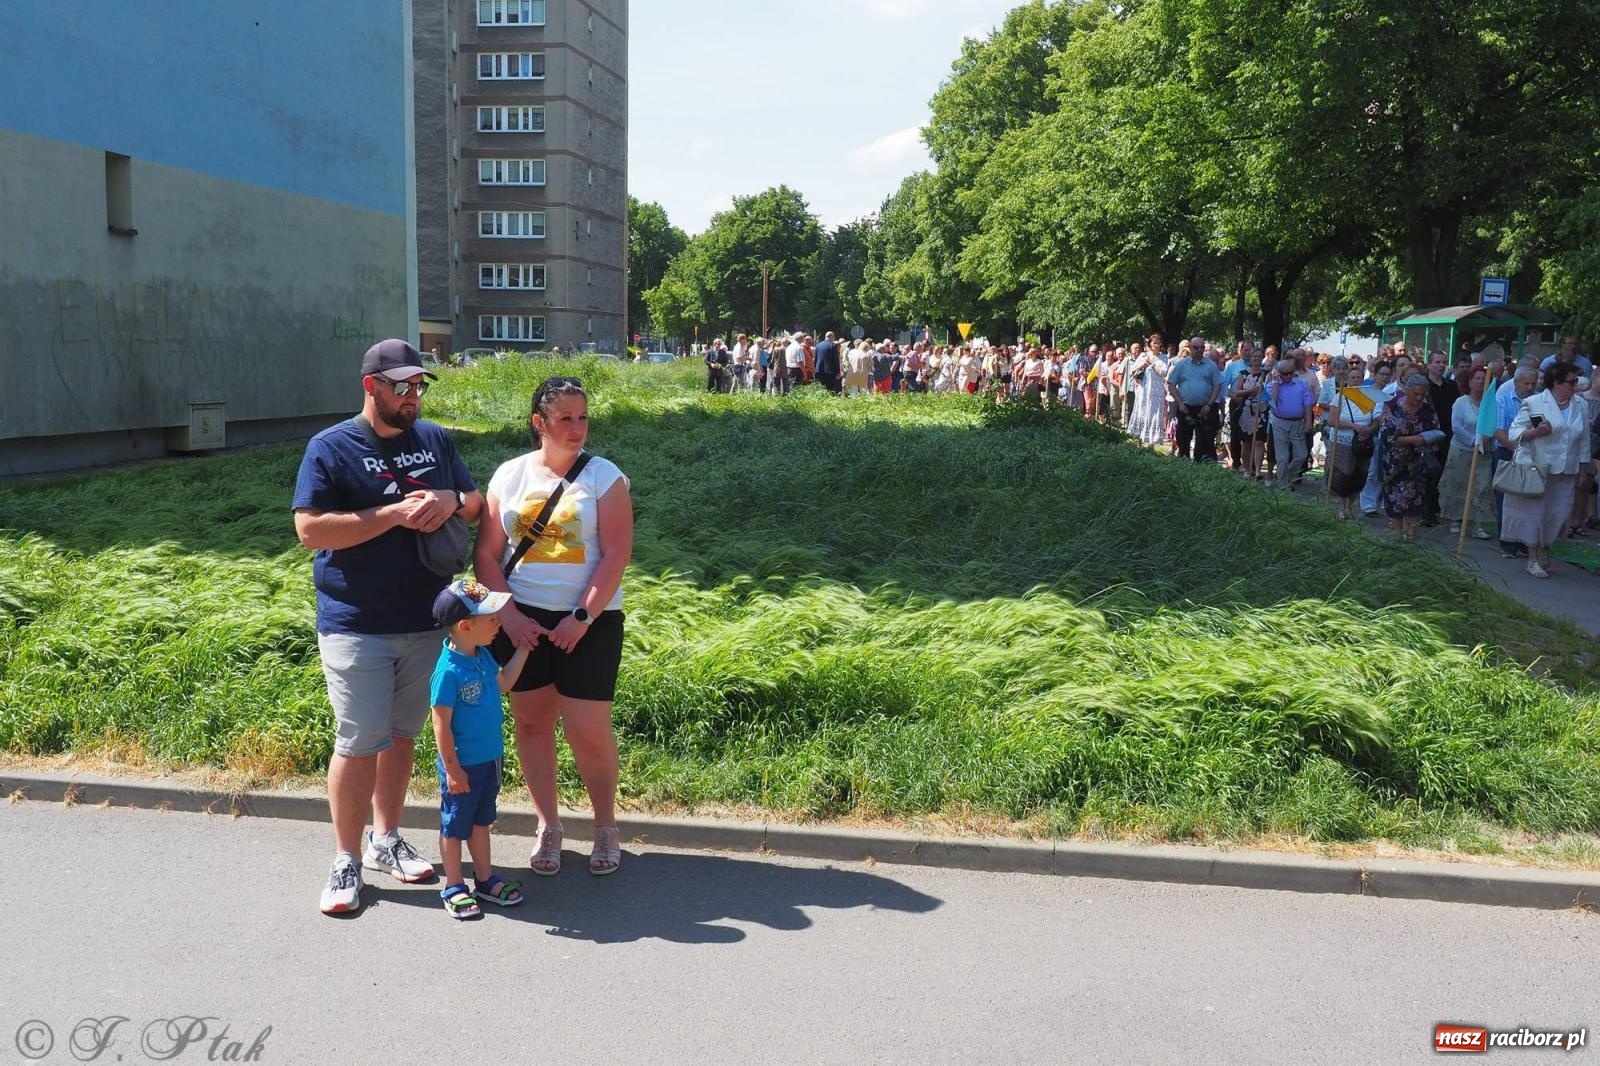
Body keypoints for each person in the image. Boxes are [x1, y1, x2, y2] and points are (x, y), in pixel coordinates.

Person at [293, 338, 485, 915]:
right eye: (402, 387)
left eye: (419, 386)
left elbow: (476, 503)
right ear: (370, 386)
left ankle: (386, 838)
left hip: (425, 620)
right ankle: (346, 859)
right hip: (357, 623)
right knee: (358, 743)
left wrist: (449, 499)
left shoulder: (435, 439)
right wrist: (393, 515)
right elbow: (310, 530)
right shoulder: (332, 447)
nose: (413, 397)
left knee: (402, 737)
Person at [473, 376, 634, 876]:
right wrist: (509, 616)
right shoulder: (509, 476)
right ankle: (548, 825)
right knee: (532, 723)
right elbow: (487, 555)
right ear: (539, 423)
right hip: (522, 620)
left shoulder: (605, 478)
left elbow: (617, 553)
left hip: (590, 619)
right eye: (565, 418)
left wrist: (581, 618)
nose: (577, 427)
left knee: (588, 731)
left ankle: (605, 826)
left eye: (583, 417)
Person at [429, 579, 530, 918]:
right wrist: (452, 768)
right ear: (465, 626)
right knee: (455, 825)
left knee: (481, 821)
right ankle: (454, 885)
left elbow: (503, 684)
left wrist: (523, 651)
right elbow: (440, 725)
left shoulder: (482, 655)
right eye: (491, 619)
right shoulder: (448, 672)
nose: (498, 623)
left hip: (489, 760)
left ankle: (485, 879)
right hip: (462, 765)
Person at [1504, 363, 1596, 578]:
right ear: (1556, 383)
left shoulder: (1580, 405)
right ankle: (1532, 558)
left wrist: (1584, 469)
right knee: (1535, 514)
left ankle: (1545, 548)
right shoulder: (1534, 402)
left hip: (1567, 470)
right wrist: (1535, 432)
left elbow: (1584, 440)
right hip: (1539, 468)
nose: (1576, 385)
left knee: (1558, 514)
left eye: (1576, 381)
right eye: (1572, 381)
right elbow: (1514, 433)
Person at [1379, 373, 1444, 540]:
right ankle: (1396, 537)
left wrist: (1427, 439)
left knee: (1416, 500)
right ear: (1407, 391)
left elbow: (1436, 430)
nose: (1419, 398)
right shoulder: (1394, 408)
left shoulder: (1427, 410)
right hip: (1395, 464)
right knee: (1395, 501)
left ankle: (1411, 536)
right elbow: (1386, 437)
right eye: (1416, 394)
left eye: (1423, 394)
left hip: (1419, 463)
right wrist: (1413, 439)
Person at [1439, 367, 1493, 539]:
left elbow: (1493, 424)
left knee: (1481, 486)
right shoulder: (1460, 402)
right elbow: (1456, 426)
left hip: (1483, 451)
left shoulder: (1490, 404)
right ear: (1469, 382)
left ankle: (1478, 524)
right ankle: (1455, 519)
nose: (1480, 382)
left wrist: (1483, 440)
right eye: (1477, 378)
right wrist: (1472, 441)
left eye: (1483, 378)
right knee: (1458, 483)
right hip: (1462, 450)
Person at [1491, 366, 1541, 557]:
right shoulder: (1502, 401)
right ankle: (1508, 544)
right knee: (1505, 500)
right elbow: (1499, 431)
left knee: (1527, 499)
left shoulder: (1539, 401)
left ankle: (1525, 541)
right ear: (1516, 382)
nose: (1530, 387)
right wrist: (1517, 449)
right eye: (1526, 383)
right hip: (1507, 453)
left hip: (1532, 455)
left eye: (1533, 383)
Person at [1327, 360, 1379, 519]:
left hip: (1363, 442)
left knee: (1359, 476)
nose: (1356, 380)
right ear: (1347, 380)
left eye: (1359, 377)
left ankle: (1350, 507)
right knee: (1343, 476)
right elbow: (1332, 420)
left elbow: (1376, 418)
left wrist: (1369, 430)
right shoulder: (1340, 397)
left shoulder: (1369, 397)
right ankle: (1341, 508)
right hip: (1343, 441)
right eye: (1353, 378)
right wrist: (1353, 426)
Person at [1167, 340, 1223, 461]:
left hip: (1205, 408)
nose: (1199, 350)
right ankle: (1184, 462)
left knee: (1205, 440)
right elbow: (1171, 384)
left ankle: (1201, 464)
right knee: (1183, 439)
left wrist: (1209, 404)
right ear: (1191, 348)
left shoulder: (1211, 365)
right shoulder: (1182, 364)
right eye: (1196, 347)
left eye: (1202, 348)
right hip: (1185, 408)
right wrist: (1179, 403)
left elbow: (1217, 386)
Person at [1267, 357, 1315, 490]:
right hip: (1279, 422)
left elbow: (1307, 404)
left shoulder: (1301, 384)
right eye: (1285, 373)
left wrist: (1308, 422)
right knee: (1283, 456)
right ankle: (1282, 485)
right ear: (1279, 373)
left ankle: (1285, 475)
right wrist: (1275, 381)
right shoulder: (1271, 385)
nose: (1288, 376)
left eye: (1291, 373)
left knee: (1302, 454)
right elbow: (1272, 400)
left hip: (1297, 422)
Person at [1232, 346, 1269, 479]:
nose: (1256, 358)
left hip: (1261, 410)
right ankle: (1247, 470)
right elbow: (1237, 391)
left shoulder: (1266, 374)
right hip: (1246, 410)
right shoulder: (1243, 374)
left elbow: (1271, 390)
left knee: (1259, 441)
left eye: (1259, 356)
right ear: (1250, 358)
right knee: (1246, 442)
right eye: (1254, 356)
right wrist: (1250, 391)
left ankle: (1258, 470)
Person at [1126, 342, 1168, 446]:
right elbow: (1132, 370)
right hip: (1144, 390)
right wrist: (1143, 364)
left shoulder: (1163, 357)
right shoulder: (1143, 355)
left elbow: (1164, 372)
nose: (1156, 345)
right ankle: (1139, 440)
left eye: (1158, 343)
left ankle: (1152, 442)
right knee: (1142, 412)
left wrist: (1152, 364)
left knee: (1155, 414)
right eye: (1154, 343)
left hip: (1157, 391)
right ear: (1150, 344)